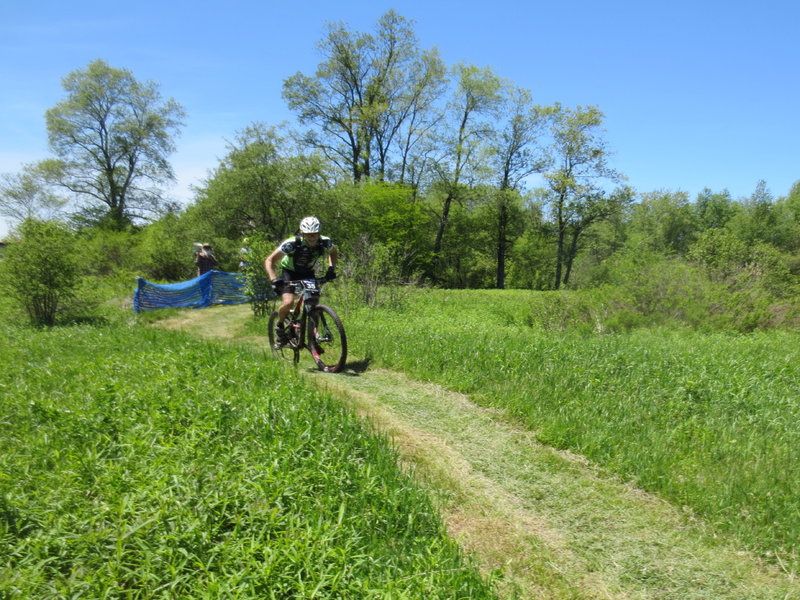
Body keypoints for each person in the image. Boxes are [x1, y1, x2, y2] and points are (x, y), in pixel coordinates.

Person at [265, 216, 337, 345]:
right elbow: (269, 260)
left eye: (314, 234)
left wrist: (331, 268)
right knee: (288, 302)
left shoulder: (325, 242)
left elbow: (333, 252)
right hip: (289, 272)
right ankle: (280, 326)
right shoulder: (292, 244)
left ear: (319, 233)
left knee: (314, 303)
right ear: (302, 233)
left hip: (308, 272)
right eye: (308, 235)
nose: (312, 237)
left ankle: (312, 340)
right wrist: (274, 280)